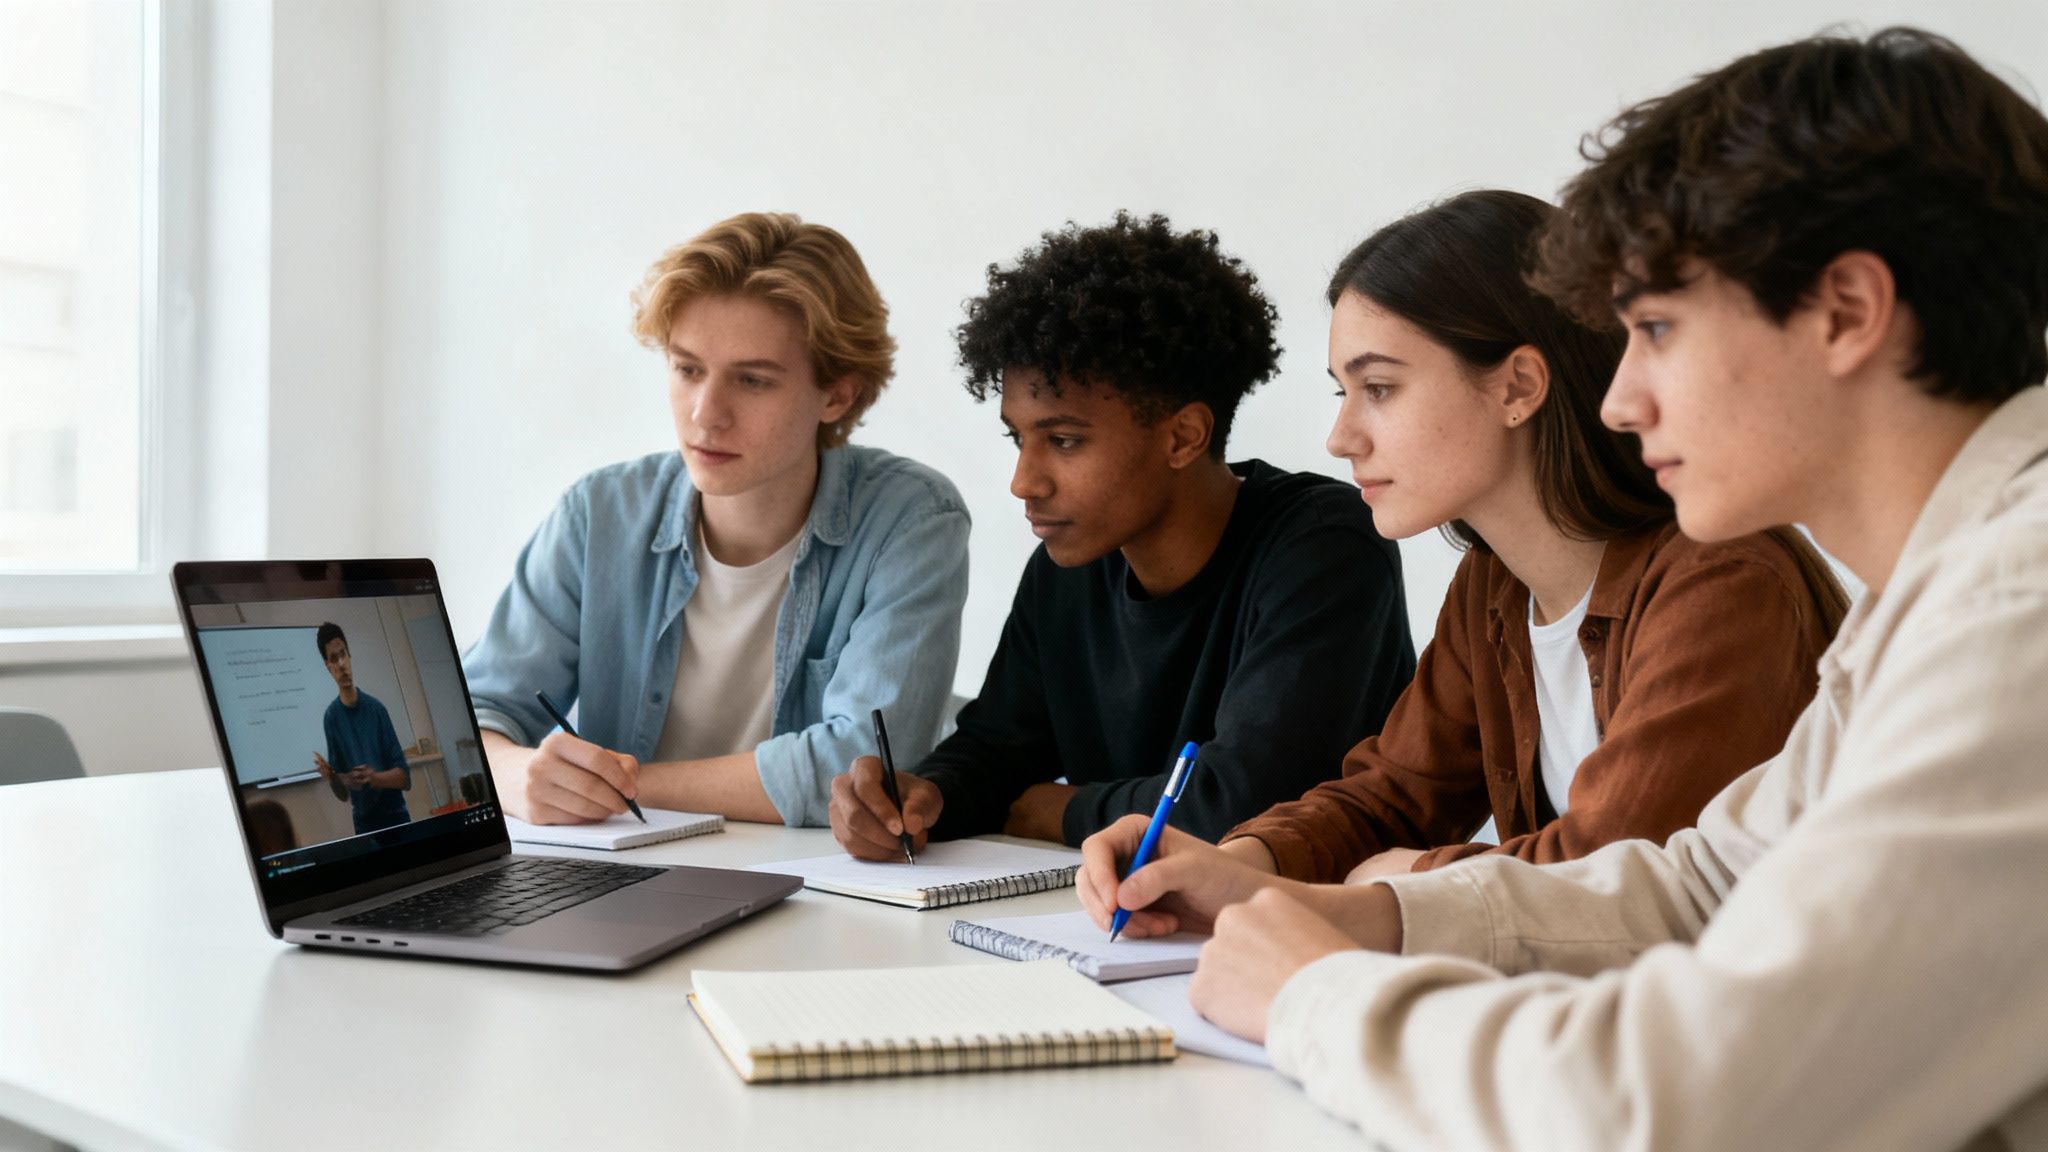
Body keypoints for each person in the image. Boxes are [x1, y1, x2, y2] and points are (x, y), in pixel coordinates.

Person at [1100, 29, 2048, 1151]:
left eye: (1651, 329)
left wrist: (1315, 993)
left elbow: (1681, 1102)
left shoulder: (2013, 621)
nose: (1618, 398)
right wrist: (1362, 911)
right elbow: (1704, 881)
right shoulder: (1936, 597)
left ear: (1843, 310)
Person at [1076, 189, 1847, 913]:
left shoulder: (1725, 580)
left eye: (1378, 388)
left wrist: (1404, 881)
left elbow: (1612, 874)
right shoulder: (1495, 585)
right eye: (1341, 393)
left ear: (1517, 385)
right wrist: (1240, 865)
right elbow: (1393, 796)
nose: (1341, 437)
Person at [829, 212, 1415, 857]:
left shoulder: (1324, 545)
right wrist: (921, 799)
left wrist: (1053, 808)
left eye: (1064, 440)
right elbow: (995, 752)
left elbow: (1242, 804)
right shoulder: (1068, 562)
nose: (1025, 481)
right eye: (1017, 439)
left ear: (1183, 436)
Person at [463, 213, 971, 828]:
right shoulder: (598, 515)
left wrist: (621, 787)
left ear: (836, 395)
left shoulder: (912, 521)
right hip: (617, 879)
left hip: (810, 891)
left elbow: (859, 768)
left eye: (752, 380)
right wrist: (519, 777)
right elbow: (473, 720)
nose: (706, 415)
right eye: (687, 369)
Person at [312, 622, 414, 835]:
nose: (341, 664)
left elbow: (404, 777)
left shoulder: (376, 710)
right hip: (366, 828)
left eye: (343, 655)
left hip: (397, 820)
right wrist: (332, 777)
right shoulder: (331, 718)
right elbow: (343, 794)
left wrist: (375, 778)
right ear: (327, 666)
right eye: (334, 659)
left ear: (350, 655)